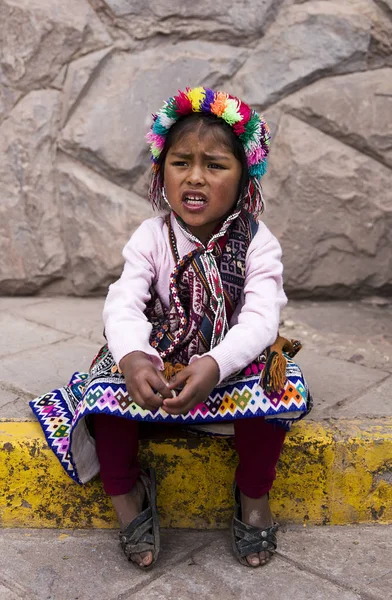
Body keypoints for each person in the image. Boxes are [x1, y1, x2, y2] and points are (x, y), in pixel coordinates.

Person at [30, 86, 311, 571]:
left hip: (228, 359)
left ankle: (252, 495)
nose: (195, 177)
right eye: (181, 162)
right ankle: (126, 495)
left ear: (245, 178)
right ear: (162, 172)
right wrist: (133, 358)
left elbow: (263, 319)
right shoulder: (151, 236)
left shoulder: (259, 243)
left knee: (275, 395)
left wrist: (215, 364)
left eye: (216, 165)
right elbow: (123, 303)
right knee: (105, 398)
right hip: (160, 360)